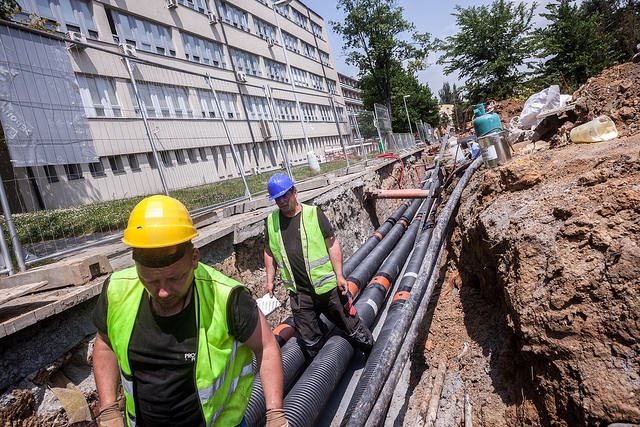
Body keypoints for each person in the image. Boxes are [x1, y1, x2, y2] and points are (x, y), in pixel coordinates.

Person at [92, 195, 287, 427]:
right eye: (150, 281)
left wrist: (275, 414)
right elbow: (104, 345)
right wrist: (109, 409)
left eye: (175, 278)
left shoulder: (227, 298)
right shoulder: (117, 291)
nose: (163, 291)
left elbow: (265, 346)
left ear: (194, 258)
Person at [263, 174, 374, 359]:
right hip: (300, 295)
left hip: (328, 289)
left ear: (295, 192)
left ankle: (372, 356)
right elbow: (268, 252)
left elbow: (332, 244)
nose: (282, 201)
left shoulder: (313, 214)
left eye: (285, 195)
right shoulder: (271, 221)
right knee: (311, 342)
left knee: (353, 328)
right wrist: (269, 281)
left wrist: (339, 275)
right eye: (277, 198)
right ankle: (324, 375)